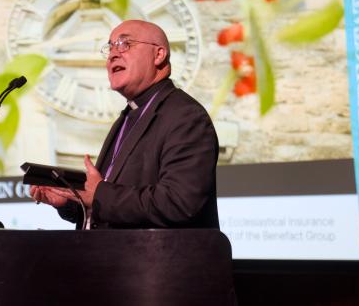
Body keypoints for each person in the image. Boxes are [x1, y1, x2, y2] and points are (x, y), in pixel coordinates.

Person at [30, 20, 219, 229]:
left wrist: (100, 194)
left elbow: (179, 203)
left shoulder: (185, 116)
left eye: (125, 44)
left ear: (158, 55)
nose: (113, 55)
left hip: (157, 258)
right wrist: (68, 201)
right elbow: (111, 208)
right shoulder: (129, 115)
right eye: (110, 47)